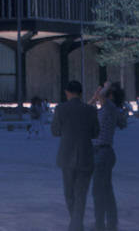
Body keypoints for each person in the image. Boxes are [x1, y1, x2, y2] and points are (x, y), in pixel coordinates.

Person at [52, 80, 98, 231]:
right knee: (81, 194)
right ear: (81, 93)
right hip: (86, 157)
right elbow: (95, 133)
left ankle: (75, 225)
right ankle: (76, 225)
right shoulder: (90, 110)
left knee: (69, 194)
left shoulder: (61, 109)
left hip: (67, 157)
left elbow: (55, 131)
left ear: (67, 92)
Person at [91, 82, 127, 231]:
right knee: (106, 190)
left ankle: (101, 225)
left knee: (98, 191)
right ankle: (111, 224)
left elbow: (100, 95)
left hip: (102, 153)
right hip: (102, 153)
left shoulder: (110, 108)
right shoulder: (109, 109)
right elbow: (88, 106)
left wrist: (106, 86)